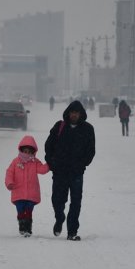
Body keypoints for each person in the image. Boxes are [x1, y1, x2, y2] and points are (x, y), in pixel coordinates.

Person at [44, 100, 95, 241]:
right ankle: (59, 218)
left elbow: (91, 151)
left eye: (77, 112)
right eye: (72, 112)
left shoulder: (87, 129)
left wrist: (82, 164)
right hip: (59, 172)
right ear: (68, 113)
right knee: (57, 200)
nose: (74, 115)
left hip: (76, 173)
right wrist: (52, 163)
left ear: (81, 114)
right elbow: (48, 146)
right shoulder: (59, 126)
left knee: (76, 202)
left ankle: (72, 231)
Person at [5, 135, 50, 237]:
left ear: (33, 152)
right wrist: (9, 182)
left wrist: (50, 163)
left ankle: (28, 228)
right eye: (25, 151)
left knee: (29, 210)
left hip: (31, 193)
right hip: (18, 192)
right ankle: (22, 225)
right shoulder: (15, 162)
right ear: (21, 150)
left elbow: (42, 170)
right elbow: (9, 172)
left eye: (29, 152)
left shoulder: (35, 162)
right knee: (21, 210)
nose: (27, 154)